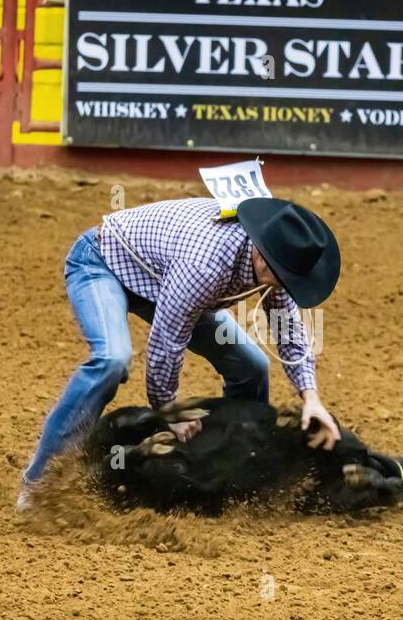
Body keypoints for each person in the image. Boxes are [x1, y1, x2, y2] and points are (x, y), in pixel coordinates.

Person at [20, 196, 342, 506]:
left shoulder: (275, 266)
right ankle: (39, 481)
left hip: (165, 281)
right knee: (112, 358)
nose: (284, 286)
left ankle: (240, 464)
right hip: (102, 263)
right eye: (282, 276)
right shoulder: (205, 264)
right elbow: (167, 340)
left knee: (251, 366)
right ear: (260, 254)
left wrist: (311, 397)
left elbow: (289, 331)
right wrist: (168, 410)